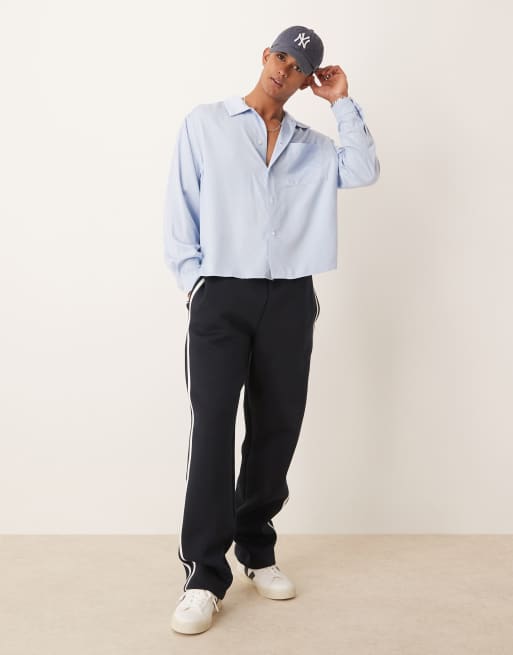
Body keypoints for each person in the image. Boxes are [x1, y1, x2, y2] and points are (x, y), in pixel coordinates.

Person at [163, 25, 380, 635]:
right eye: (281, 55)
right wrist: (195, 284)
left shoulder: (313, 145)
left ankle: (256, 548)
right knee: (213, 427)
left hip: (289, 297)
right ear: (265, 56)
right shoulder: (206, 123)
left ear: (308, 79)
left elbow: (364, 170)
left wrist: (341, 102)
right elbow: (180, 206)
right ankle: (204, 575)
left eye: (300, 65)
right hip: (221, 294)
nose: (286, 68)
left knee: (277, 426)